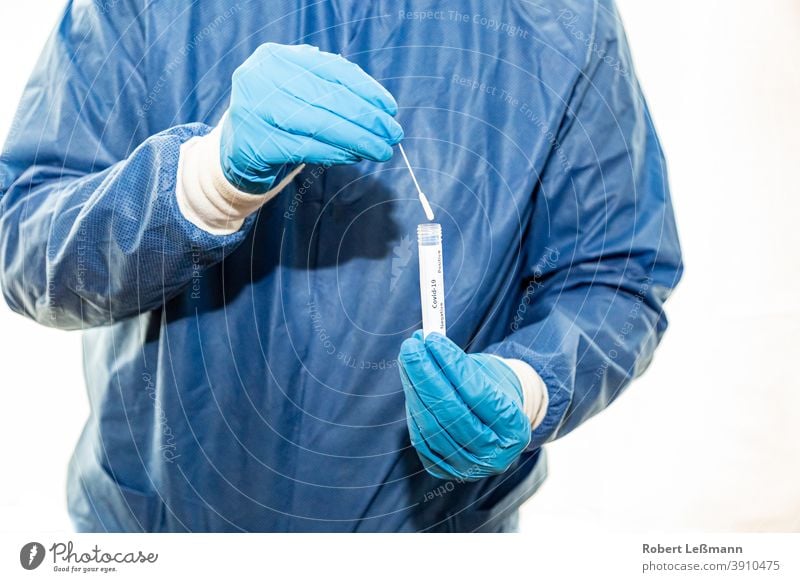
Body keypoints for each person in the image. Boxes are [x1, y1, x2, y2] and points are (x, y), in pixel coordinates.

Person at [0, 0, 682, 532]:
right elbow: (25, 238)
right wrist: (203, 184)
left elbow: (615, 272)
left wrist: (529, 383)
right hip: (158, 536)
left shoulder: (561, 22)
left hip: (439, 541)